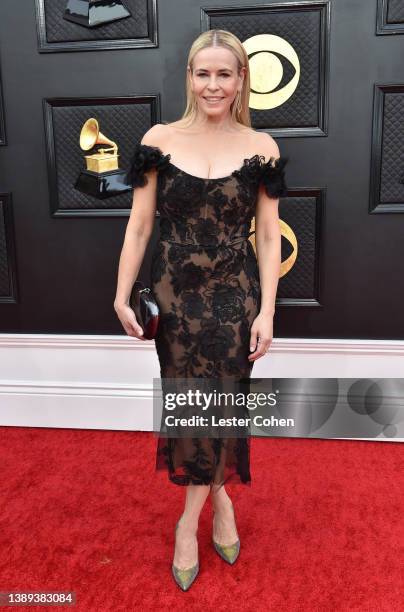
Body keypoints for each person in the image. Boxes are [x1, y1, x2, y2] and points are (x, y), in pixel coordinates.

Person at [114, 29, 288, 591]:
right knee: (192, 402)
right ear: (190, 78)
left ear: (242, 81)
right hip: (176, 296)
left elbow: (266, 239)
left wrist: (268, 312)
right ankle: (219, 500)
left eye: (225, 74)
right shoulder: (159, 138)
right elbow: (140, 224)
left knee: (223, 402)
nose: (213, 85)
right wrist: (121, 294)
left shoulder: (263, 147)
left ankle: (188, 521)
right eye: (203, 73)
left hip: (237, 295)